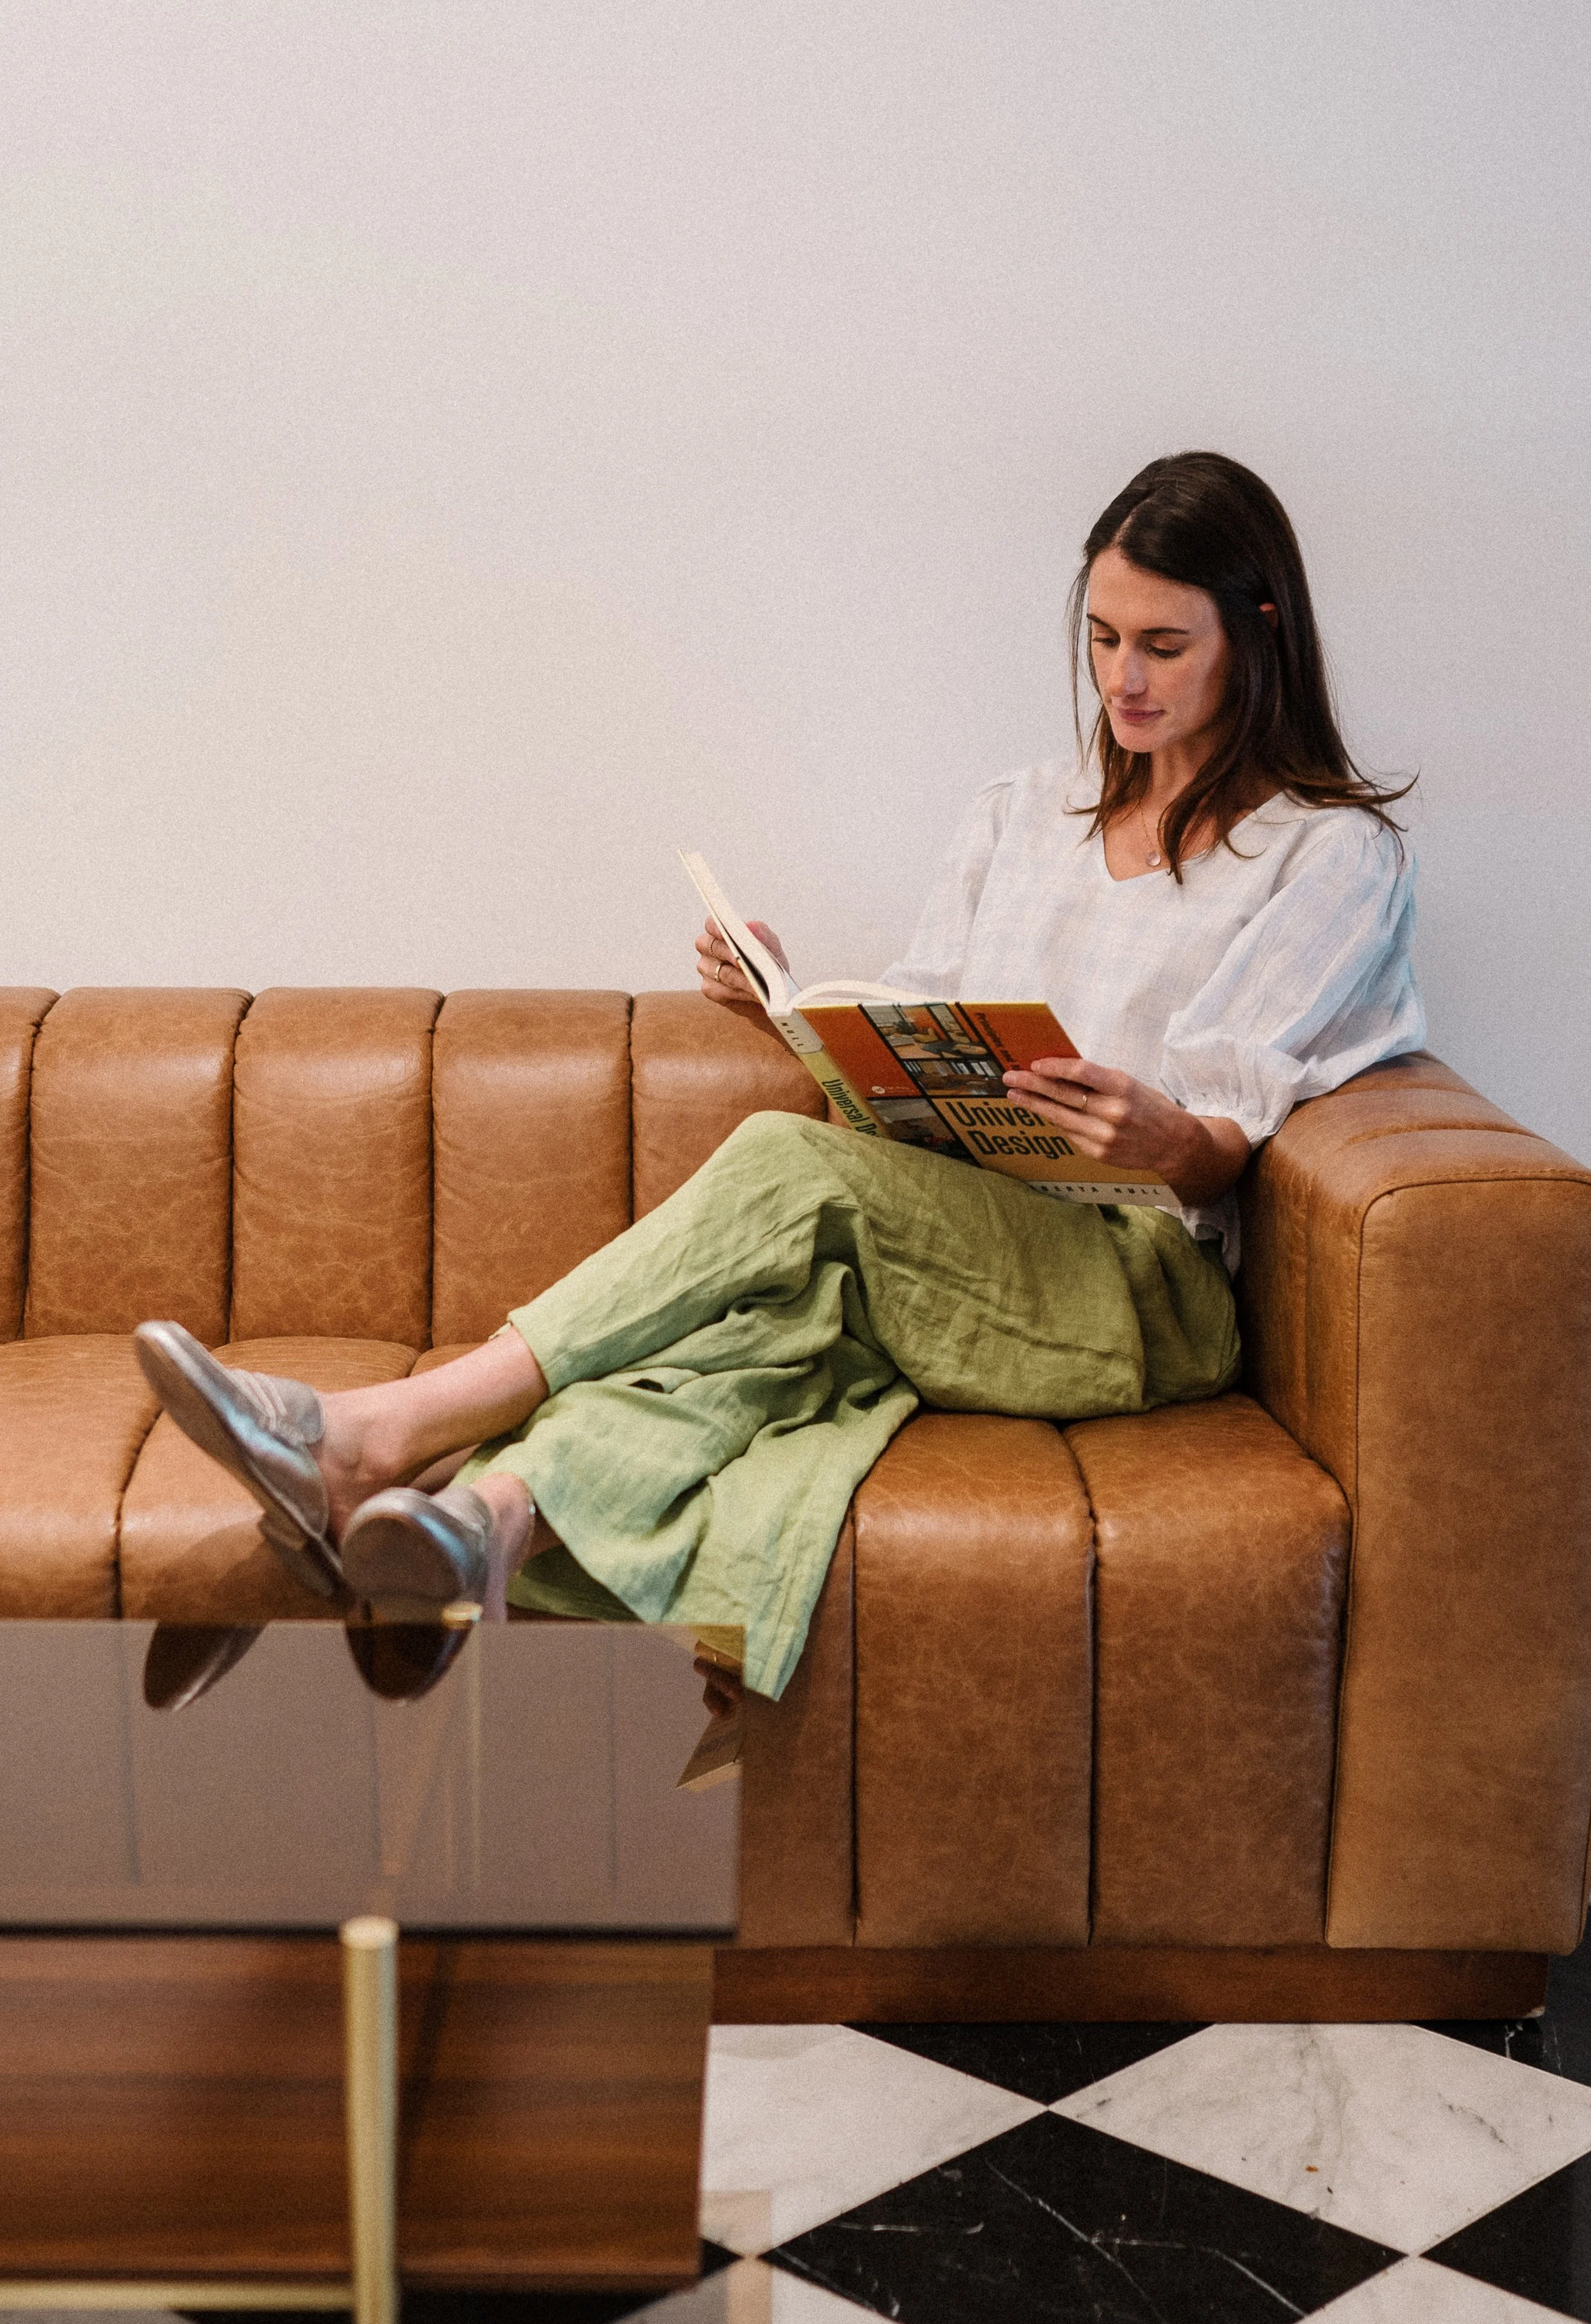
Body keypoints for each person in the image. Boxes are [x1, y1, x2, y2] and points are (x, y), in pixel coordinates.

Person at [136, 451, 1422, 1711]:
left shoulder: (1325, 857)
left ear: (1255, 632)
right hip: (956, 1239)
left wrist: (1160, 1134)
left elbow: (1230, 1136)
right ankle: (488, 1520)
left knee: (781, 1158)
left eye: (1160, 645)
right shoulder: (1019, 813)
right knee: (747, 1345)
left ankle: (382, 1430)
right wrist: (794, 1002)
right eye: (1098, 640)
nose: (1119, 680)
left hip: (1140, 1291)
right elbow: (927, 1017)